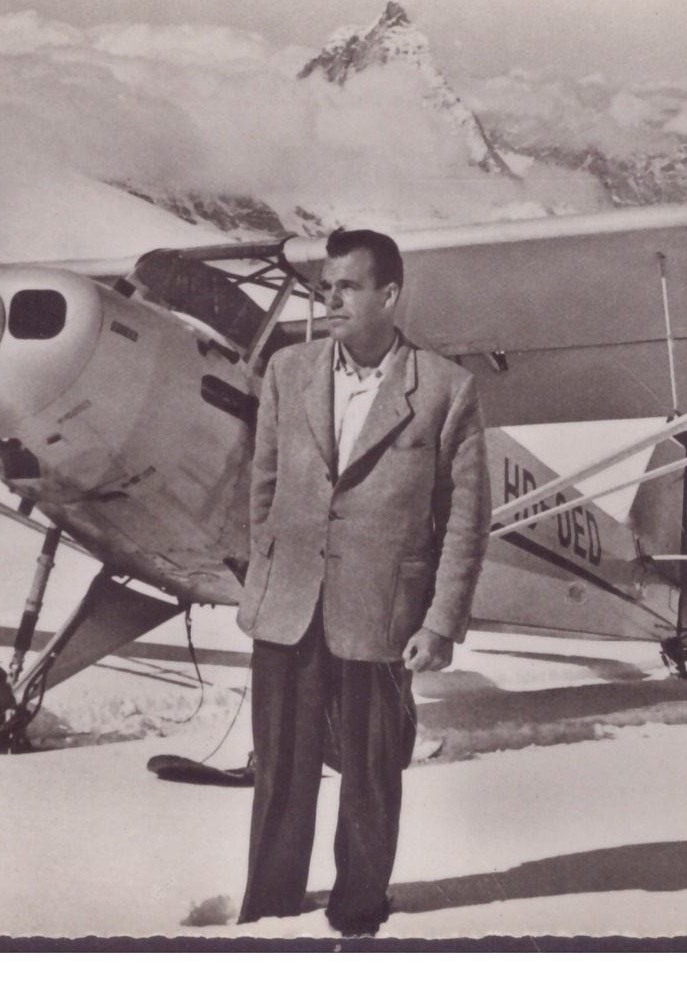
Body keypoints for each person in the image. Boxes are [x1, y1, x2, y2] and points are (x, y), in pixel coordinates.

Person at [235, 227, 491, 936]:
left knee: (371, 780)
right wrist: (269, 574)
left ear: (389, 293)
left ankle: (357, 918)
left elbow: (465, 521)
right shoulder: (288, 372)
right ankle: (270, 912)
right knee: (279, 774)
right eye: (326, 285)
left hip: (383, 616)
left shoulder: (445, 389)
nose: (331, 297)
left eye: (347, 285)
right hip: (286, 607)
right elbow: (262, 487)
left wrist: (439, 622)